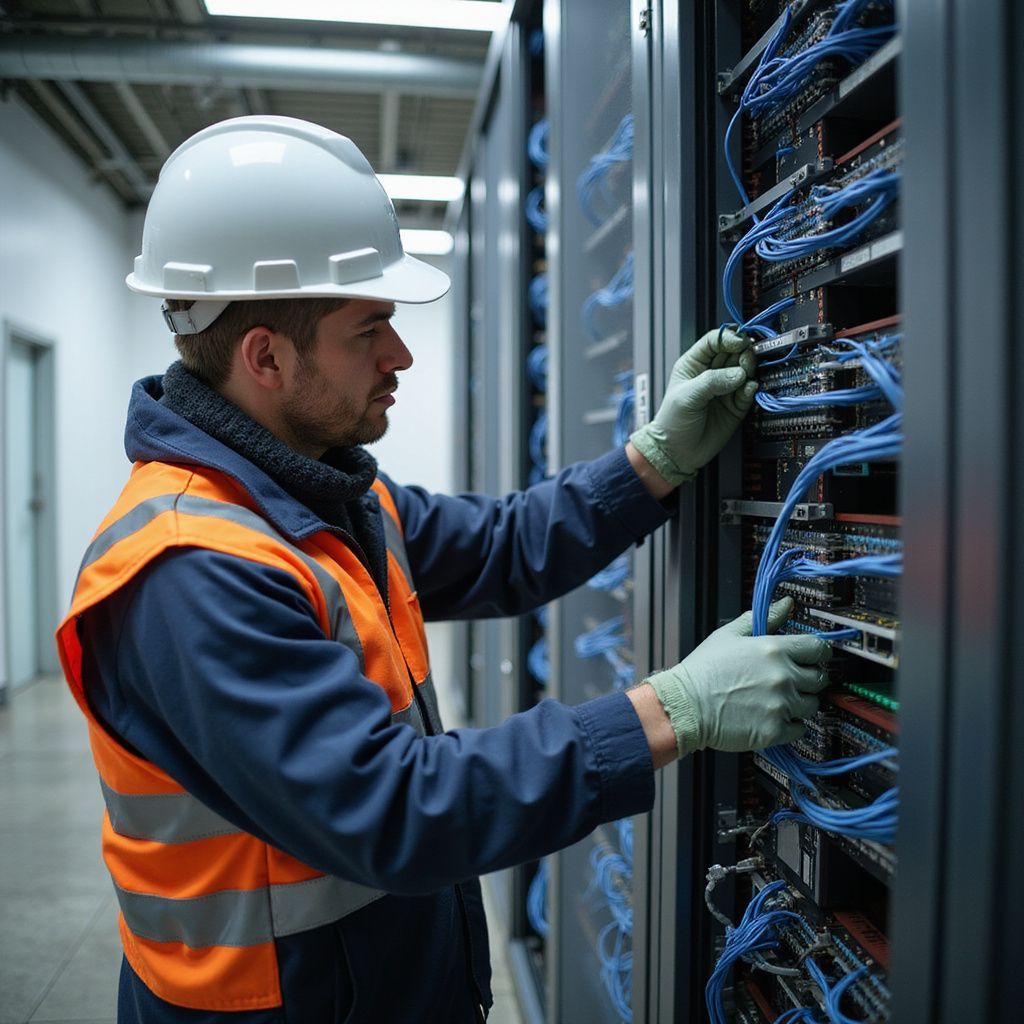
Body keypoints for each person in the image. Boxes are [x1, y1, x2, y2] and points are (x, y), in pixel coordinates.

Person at [56, 116, 830, 1023]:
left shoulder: (319, 494)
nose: (402, 356)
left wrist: (652, 461)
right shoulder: (190, 567)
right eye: (369, 329)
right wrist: (675, 710)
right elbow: (392, 809)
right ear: (265, 355)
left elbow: (500, 546)